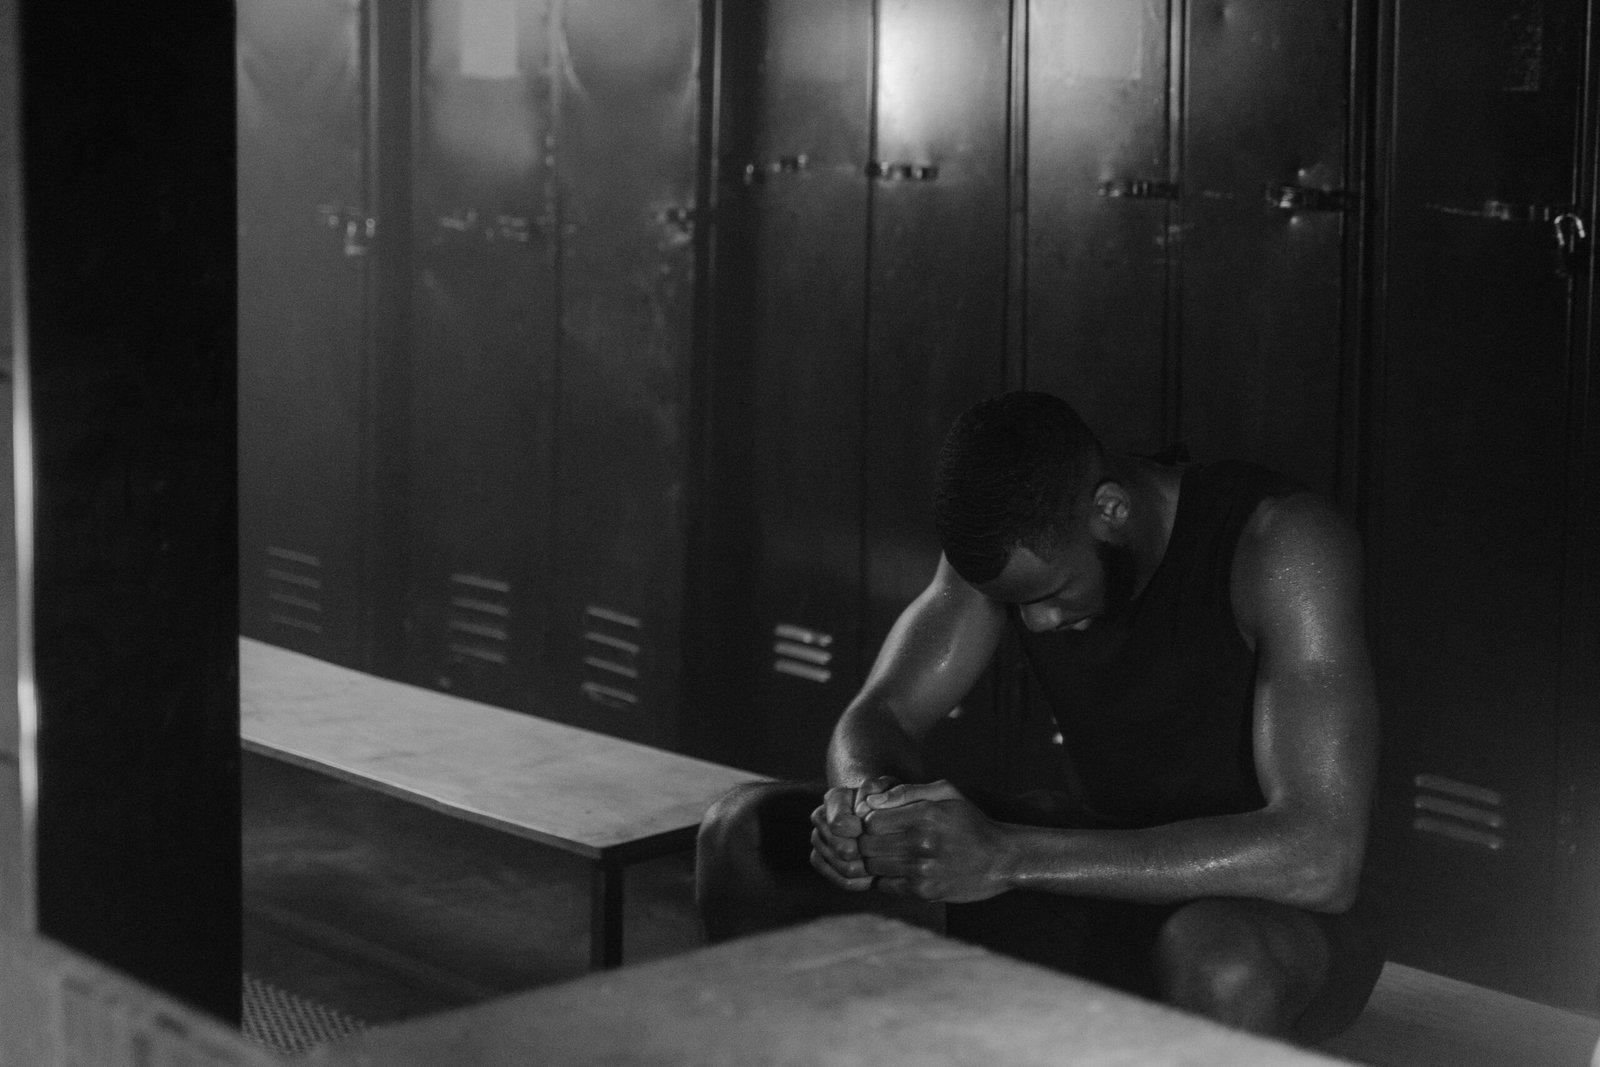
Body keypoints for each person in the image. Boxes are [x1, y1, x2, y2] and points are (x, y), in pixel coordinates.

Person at [695, 391, 1383, 1043]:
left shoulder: (1282, 544)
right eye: (1018, 602)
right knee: (744, 836)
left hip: (1268, 910)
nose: (1037, 622)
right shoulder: (1014, 541)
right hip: (1085, 867)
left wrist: (1007, 853)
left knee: (1219, 962)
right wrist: (871, 806)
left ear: (1109, 510)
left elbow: (1320, 857)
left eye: (1052, 594)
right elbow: (882, 712)